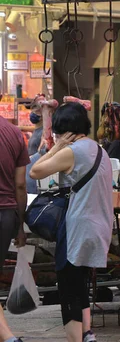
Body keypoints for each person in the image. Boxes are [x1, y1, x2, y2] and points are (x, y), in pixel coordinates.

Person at [30, 102, 113, 342]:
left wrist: (57, 147)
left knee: (68, 289)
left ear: (65, 131)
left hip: (78, 228)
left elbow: (35, 171)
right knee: (80, 285)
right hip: (99, 226)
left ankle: (76, 339)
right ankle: (87, 335)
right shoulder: (99, 150)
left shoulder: (73, 151)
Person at [0, 115, 29, 342]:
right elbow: (20, 184)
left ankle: (9, 338)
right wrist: (20, 226)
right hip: (6, 216)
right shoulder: (14, 133)